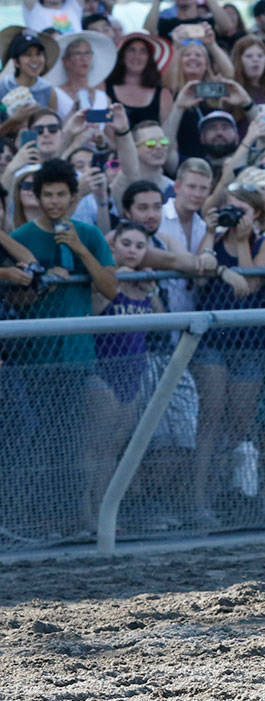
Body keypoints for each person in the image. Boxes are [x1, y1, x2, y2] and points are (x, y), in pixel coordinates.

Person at [10, 158, 117, 536]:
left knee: (71, 439)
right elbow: (14, 302)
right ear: (37, 198)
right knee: (38, 440)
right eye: (47, 195)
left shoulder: (88, 234)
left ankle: (70, 517)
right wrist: (39, 287)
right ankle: (40, 518)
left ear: (73, 198)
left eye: (61, 195)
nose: (54, 202)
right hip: (32, 358)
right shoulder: (21, 237)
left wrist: (79, 252)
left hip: (76, 356)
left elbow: (110, 287)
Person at [189, 182, 265, 525]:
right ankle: (200, 501)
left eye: (241, 209)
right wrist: (212, 233)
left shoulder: (264, 242)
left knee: (241, 423)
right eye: (230, 206)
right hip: (211, 340)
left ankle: (241, 496)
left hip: (248, 344)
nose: (234, 213)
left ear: (256, 213)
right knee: (209, 419)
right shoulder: (213, 237)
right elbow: (198, 278)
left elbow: (250, 286)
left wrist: (242, 241)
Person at [80, 220, 165, 532]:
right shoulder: (106, 280)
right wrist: (117, 280)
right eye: (126, 244)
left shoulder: (143, 284)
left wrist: (152, 289)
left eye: (140, 246)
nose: (132, 251)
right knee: (95, 447)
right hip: (103, 373)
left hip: (133, 374)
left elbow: (163, 325)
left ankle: (106, 512)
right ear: (113, 246)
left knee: (115, 447)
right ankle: (86, 513)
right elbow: (92, 309)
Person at [105, 34, 173, 129]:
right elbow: (97, 125)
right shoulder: (104, 90)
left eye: (143, 51)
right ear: (122, 55)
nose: (136, 56)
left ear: (149, 58)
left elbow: (169, 133)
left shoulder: (163, 95)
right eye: (131, 50)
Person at [48, 29, 115, 116]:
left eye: (87, 53)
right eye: (77, 53)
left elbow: (106, 128)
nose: (84, 58)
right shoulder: (56, 95)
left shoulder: (103, 98)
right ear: (65, 61)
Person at [0, 28, 65, 115]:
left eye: (38, 54)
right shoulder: (3, 87)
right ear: (16, 61)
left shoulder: (48, 91)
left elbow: (53, 123)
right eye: (27, 55)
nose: (35, 60)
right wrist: (14, 121)